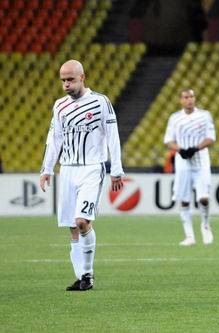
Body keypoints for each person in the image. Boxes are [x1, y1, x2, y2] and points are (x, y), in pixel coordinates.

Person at [39, 60, 124, 291]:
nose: (66, 84)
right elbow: (54, 140)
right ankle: (82, 277)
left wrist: (116, 170)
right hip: (67, 169)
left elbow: (112, 136)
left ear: (82, 77)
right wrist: (46, 169)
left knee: (82, 221)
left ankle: (88, 275)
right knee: (72, 227)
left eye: (70, 80)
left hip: (92, 168)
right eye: (63, 80)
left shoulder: (100, 102)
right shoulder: (59, 106)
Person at [164, 89, 216, 246]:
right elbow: (168, 140)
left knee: (203, 198)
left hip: (201, 161)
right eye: (186, 97)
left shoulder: (204, 115)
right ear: (181, 100)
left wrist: (195, 148)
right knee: (184, 199)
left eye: (192, 96)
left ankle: (205, 225)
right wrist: (180, 149)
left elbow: (211, 138)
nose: (189, 100)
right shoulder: (175, 118)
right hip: (183, 163)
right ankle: (189, 236)